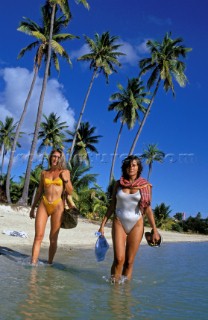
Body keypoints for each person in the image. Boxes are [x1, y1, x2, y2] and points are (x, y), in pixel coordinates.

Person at [98, 155, 160, 281]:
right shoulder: (118, 184)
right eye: (128, 165)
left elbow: (147, 208)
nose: (131, 167)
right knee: (119, 259)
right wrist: (102, 225)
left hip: (136, 224)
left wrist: (155, 229)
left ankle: (125, 295)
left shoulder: (145, 186)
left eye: (134, 165)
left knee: (129, 262)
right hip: (119, 221)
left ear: (138, 168)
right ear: (125, 168)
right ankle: (114, 289)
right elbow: (112, 205)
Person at [29, 149, 73, 265]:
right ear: (50, 158)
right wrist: (33, 208)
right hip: (43, 204)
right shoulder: (44, 173)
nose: (55, 159)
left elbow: (70, 191)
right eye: (53, 156)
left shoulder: (65, 172)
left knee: (53, 239)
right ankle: (33, 264)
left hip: (58, 206)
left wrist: (65, 179)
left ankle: (49, 263)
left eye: (58, 157)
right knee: (38, 236)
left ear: (61, 159)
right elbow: (39, 192)